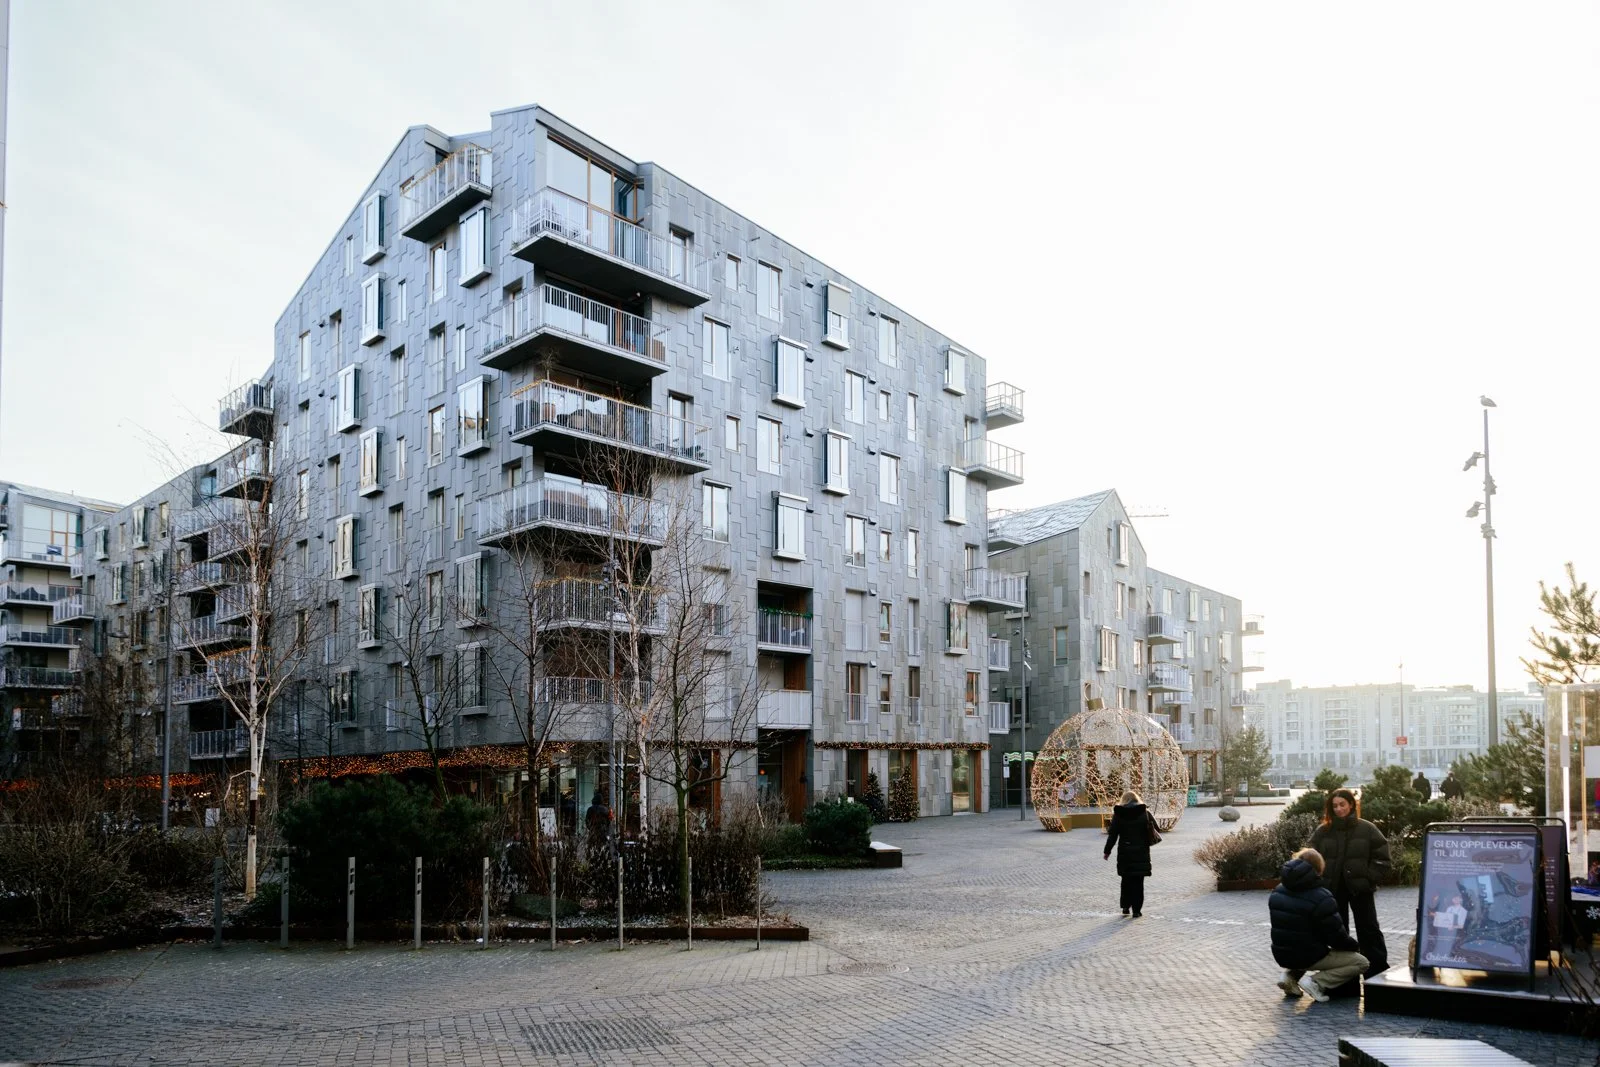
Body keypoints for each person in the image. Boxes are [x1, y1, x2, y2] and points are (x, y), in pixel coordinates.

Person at [1309, 787, 1391, 977]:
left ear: (1351, 805)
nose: (1339, 809)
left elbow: (1383, 859)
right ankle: (1343, 979)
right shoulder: (1323, 831)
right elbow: (1310, 858)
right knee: (1338, 934)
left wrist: (1368, 878)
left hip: (1360, 890)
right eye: (1335, 806)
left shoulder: (1367, 828)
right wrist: (1320, 882)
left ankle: (1377, 974)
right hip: (1332, 891)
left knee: (1369, 930)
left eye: (1342, 804)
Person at [1269, 847, 1369, 1003]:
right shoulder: (1322, 896)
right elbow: (1336, 937)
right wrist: (1354, 947)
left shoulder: (1277, 891)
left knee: (1302, 943)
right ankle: (1316, 982)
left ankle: (1289, 977)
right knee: (1361, 962)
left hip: (1282, 954)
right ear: (1318, 869)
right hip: (1308, 955)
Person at [1102, 790, 1156, 918]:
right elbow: (1156, 828)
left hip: (1125, 851)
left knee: (1126, 880)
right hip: (1141, 852)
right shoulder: (1145, 812)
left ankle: (1126, 907)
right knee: (1138, 882)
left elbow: (1113, 835)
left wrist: (1107, 851)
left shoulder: (1119, 814)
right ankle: (1137, 910)